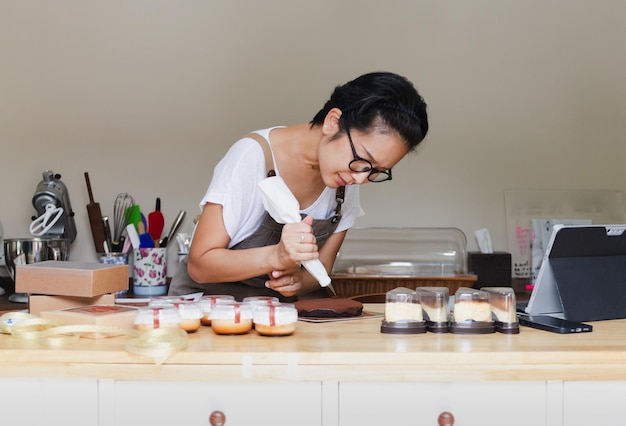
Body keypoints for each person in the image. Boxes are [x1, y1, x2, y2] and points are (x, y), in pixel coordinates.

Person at [169, 71, 429, 301]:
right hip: (206, 312)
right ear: (332, 122)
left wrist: (296, 283)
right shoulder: (252, 156)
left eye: (376, 171)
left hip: (276, 318)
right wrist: (277, 257)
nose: (361, 178)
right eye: (363, 160)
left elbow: (321, 271)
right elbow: (200, 265)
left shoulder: (345, 181)